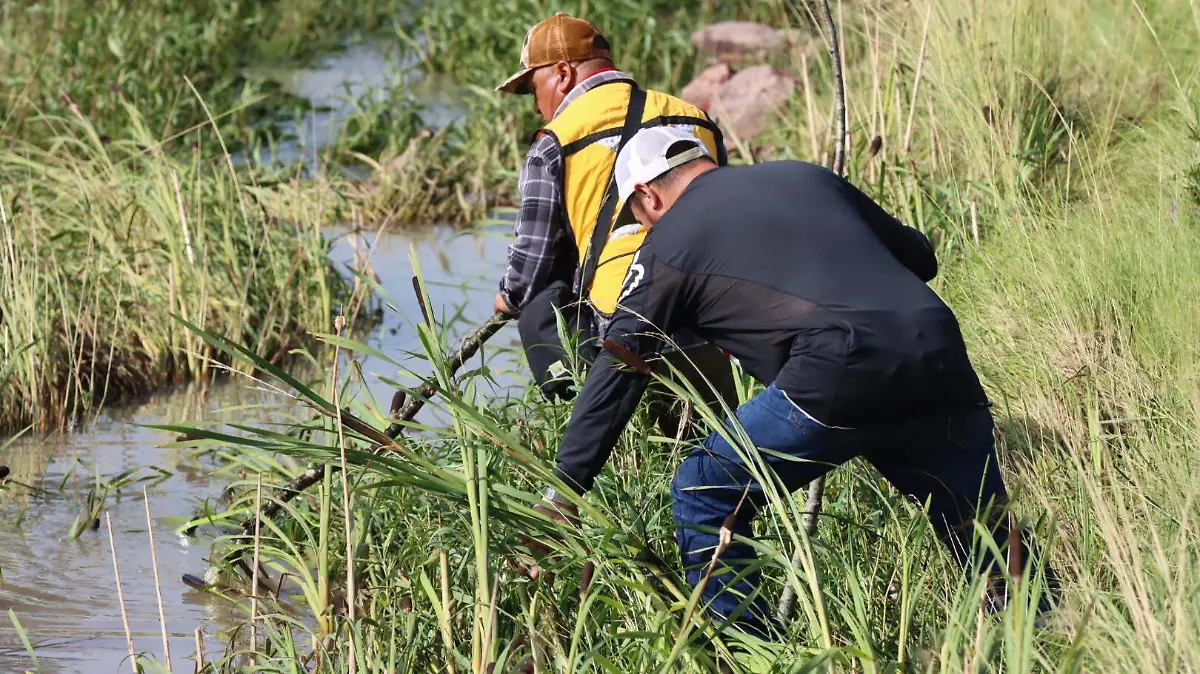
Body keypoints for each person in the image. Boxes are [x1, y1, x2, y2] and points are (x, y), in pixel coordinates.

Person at [534, 126, 1053, 636]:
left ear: (647, 195)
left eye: (638, 217)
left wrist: (566, 489)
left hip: (840, 366)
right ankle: (1046, 636)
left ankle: (750, 653)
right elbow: (920, 256)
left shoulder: (669, 241)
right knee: (976, 517)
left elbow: (619, 366)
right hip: (938, 350)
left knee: (705, 487)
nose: (644, 227)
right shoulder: (807, 177)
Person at [493, 13, 737, 434]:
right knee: (708, 441)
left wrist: (507, 299)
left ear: (563, 74)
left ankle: (585, 415)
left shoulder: (554, 141)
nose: (536, 105)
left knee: (538, 301)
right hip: (714, 311)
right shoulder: (694, 117)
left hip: (625, 320)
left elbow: (532, 263)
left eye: (534, 88)